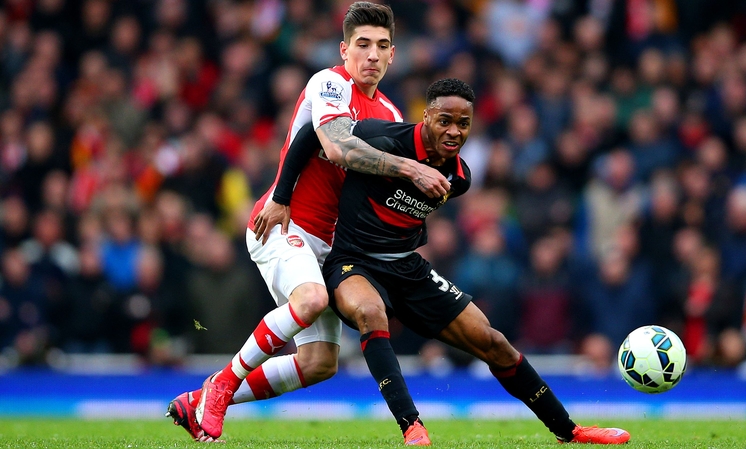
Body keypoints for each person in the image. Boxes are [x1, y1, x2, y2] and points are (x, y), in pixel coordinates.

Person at [275, 78, 631, 445]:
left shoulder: (459, 178)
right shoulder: (384, 138)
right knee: (371, 312)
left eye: (463, 123)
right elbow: (313, 135)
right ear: (426, 116)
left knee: (493, 342)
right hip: (351, 261)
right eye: (444, 120)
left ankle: (570, 431)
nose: (454, 130)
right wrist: (281, 197)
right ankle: (412, 427)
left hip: (407, 266)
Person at [165, 2, 450, 442]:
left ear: (393, 55)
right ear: (344, 50)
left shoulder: (392, 116)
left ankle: (200, 398)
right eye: (362, 45)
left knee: (320, 363)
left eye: (382, 46)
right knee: (313, 298)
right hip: (284, 224)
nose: (372, 55)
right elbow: (335, 148)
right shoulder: (329, 83)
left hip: (333, 247)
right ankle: (222, 383)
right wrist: (409, 169)